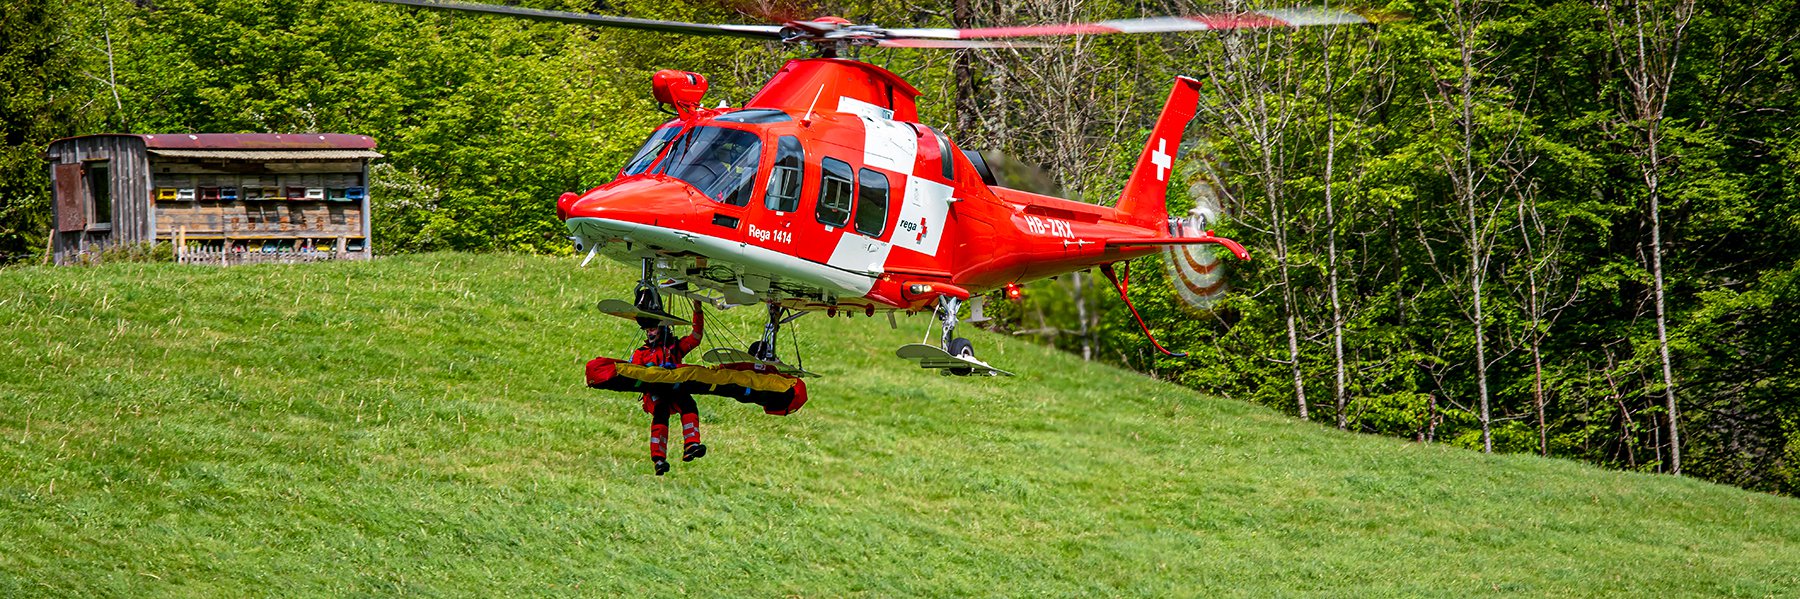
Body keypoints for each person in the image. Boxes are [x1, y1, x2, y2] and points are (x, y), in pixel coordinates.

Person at [631, 303, 706, 476]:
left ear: (662, 329)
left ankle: (691, 444)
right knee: (661, 412)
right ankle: (658, 459)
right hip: (655, 394)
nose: (650, 333)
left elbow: (696, 337)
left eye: (653, 329)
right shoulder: (641, 353)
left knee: (688, 404)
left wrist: (697, 311)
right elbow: (633, 372)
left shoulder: (675, 347)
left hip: (674, 389)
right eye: (648, 330)